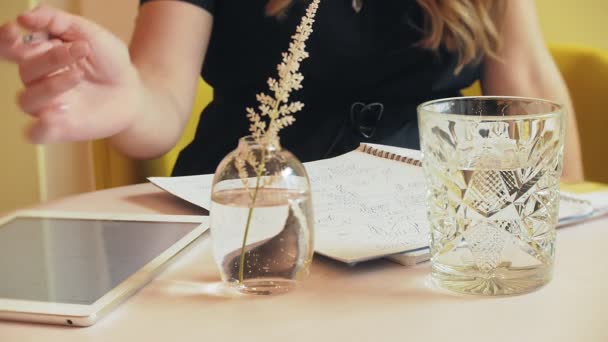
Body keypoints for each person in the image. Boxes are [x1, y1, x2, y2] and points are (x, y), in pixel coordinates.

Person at [0, 0, 585, 181]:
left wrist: (575, 228)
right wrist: (127, 98)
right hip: (244, 231)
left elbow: (531, 99)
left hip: (425, 238)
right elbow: (159, 100)